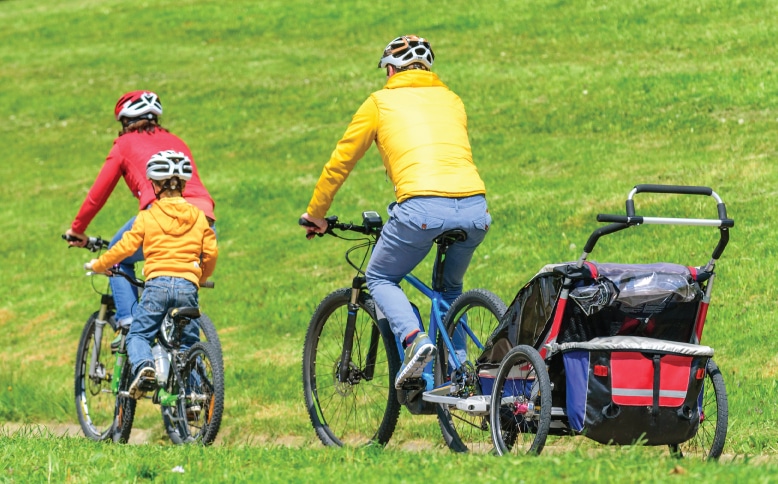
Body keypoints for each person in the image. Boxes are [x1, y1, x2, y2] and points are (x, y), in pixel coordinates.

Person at [300, 35, 491, 390]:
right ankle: (461, 375)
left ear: (391, 69)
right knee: (449, 290)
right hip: (475, 209)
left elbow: (340, 162)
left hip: (421, 207)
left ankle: (415, 339)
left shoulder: (380, 102)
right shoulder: (452, 99)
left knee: (381, 278)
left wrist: (316, 213)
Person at [66, 91, 216, 332]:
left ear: (126, 121)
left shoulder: (124, 144)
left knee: (118, 257)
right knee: (182, 322)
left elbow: (97, 195)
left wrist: (77, 230)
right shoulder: (176, 141)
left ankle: (130, 325)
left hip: (160, 216)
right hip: (204, 219)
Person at [86, 151, 218, 398]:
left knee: (139, 334)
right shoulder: (199, 217)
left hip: (157, 287)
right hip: (187, 288)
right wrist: (199, 278)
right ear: (184, 185)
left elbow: (125, 248)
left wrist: (99, 264)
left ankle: (145, 366)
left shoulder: (147, 217)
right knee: (187, 345)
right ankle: (192, 400)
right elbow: (210, 253)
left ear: (156, 185)